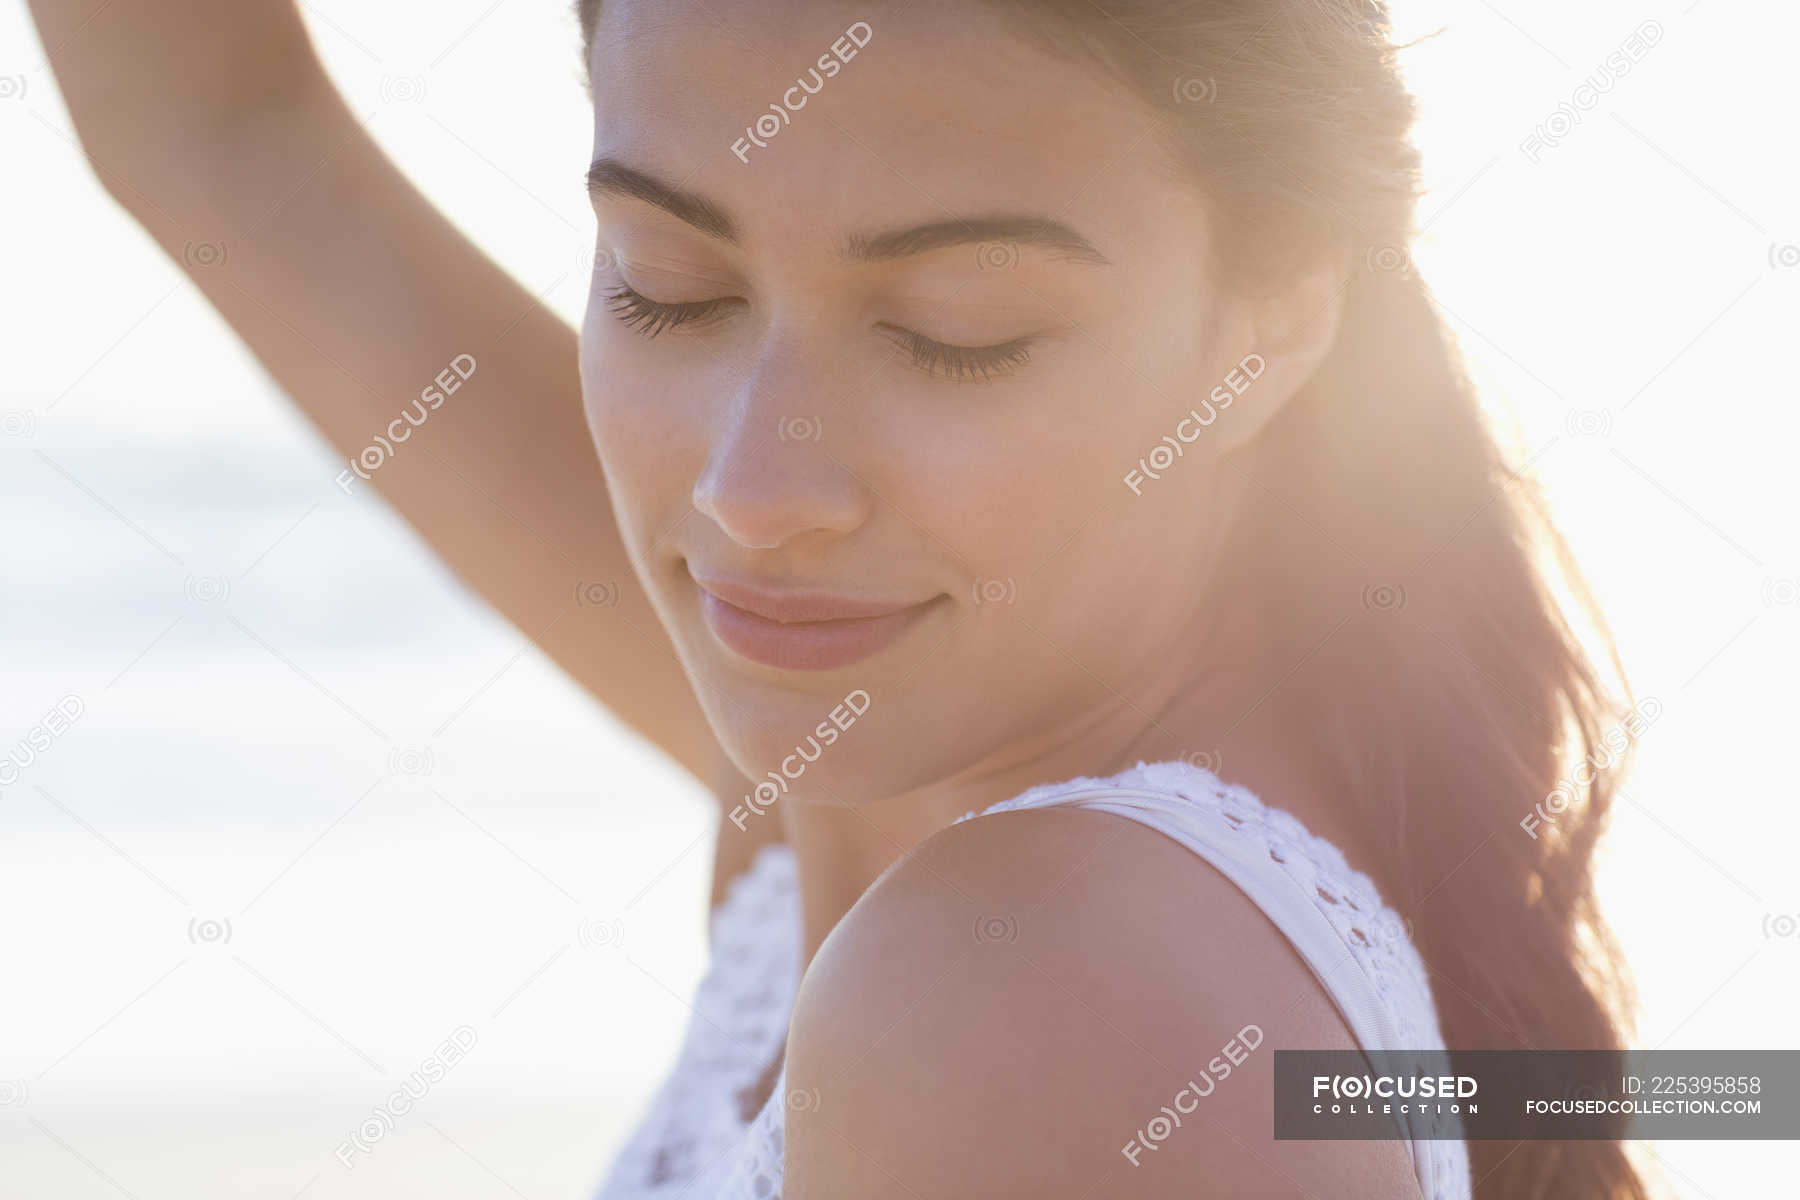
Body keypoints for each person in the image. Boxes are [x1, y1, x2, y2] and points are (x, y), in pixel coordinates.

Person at [32, 0, 1648, 1194]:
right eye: (672, 291)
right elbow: (217, 134)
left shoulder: (1030, 987)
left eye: (955, 329)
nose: (755, 489)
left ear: (1273, 324)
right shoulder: (863, 742)